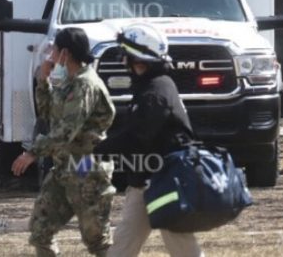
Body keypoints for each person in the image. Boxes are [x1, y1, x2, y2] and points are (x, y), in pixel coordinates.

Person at [94, 24, 203, 257]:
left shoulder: (157, 90)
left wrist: (98, 151)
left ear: (139, 60)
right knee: (122, 246)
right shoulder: (147, 88)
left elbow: (137, 136)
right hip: (143, 181)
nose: (124, 62)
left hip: (167, 181)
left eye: (127, 56)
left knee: (182, 246)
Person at [13, 28, 116, 257]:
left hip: (86, 169)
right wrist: (43, 79)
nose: (51, 54)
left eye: (55, 49)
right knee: (40, 230)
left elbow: (65, 131)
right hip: (63, 168)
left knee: (97, 240)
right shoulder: (69, 82)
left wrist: (32, 153)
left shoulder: (85, 85)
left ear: (65, 53)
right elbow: (47, 114)